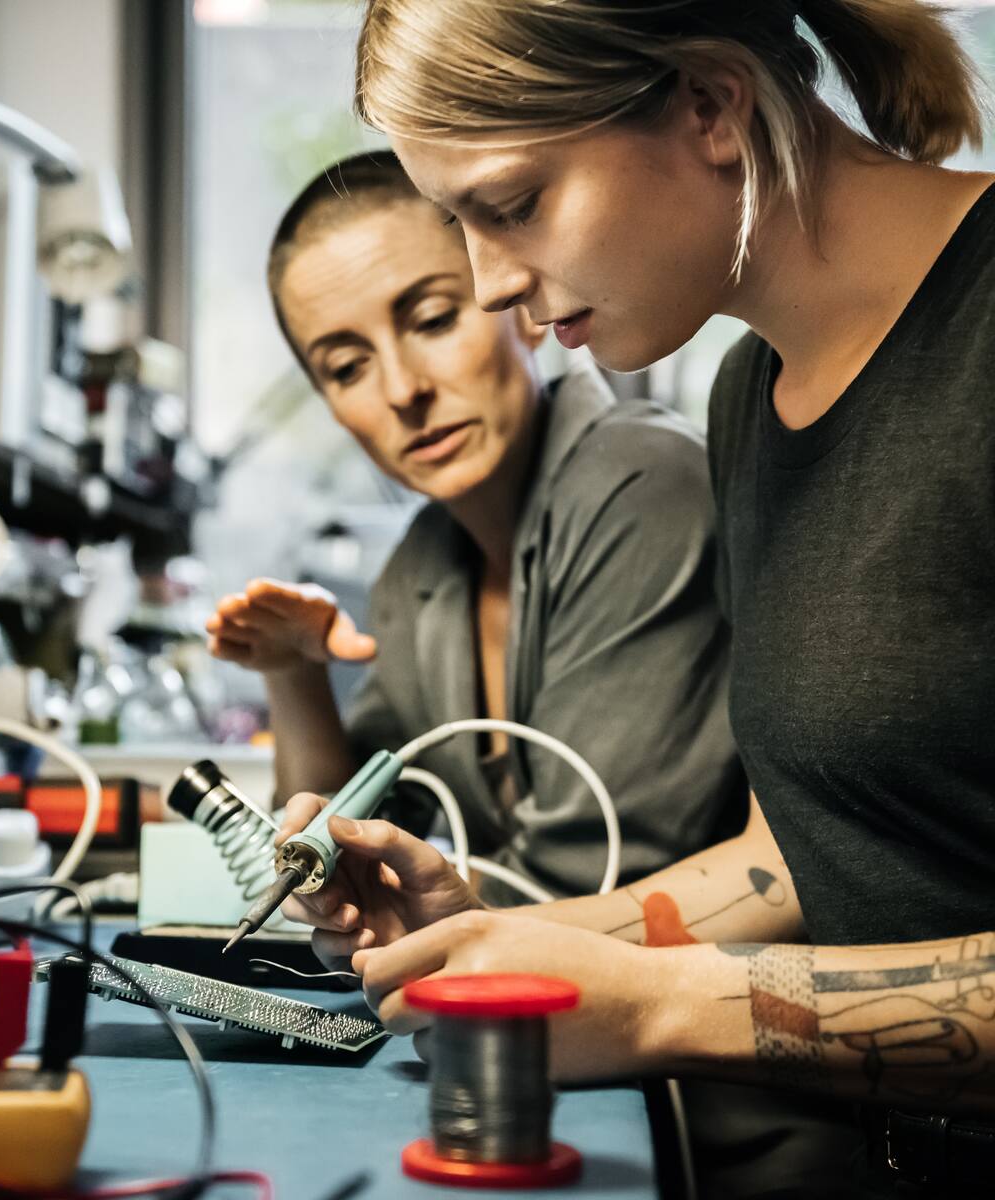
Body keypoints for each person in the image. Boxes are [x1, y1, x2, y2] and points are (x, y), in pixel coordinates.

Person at [277, 2, 995, 1196]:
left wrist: (670, 1006)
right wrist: (509, 941)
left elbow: (697, 992)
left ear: (711, 106)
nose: (493, 283)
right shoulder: (751, 399)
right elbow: (803, 860)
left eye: (512, 207)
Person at [207, 150, 745, 901]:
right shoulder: (420, 568)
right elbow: (326, 856)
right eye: (347, 367)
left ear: (518, 301)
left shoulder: (644, 483)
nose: (402, 390)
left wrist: (386, 910)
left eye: (431, 320)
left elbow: (593, 882)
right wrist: (294, 675)